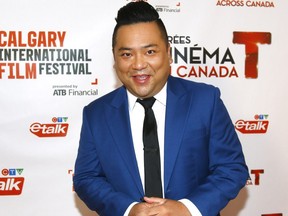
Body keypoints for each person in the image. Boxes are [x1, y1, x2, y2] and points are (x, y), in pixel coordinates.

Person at [73, 1, 249, 216]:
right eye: (127, 54)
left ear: (168, 52)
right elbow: (86, 178)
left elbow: (232, 168)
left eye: (150, 51)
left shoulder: (205, 100)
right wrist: (128, 210)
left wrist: (187, 208)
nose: (138, 64)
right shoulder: (96, 114)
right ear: (115, 59)